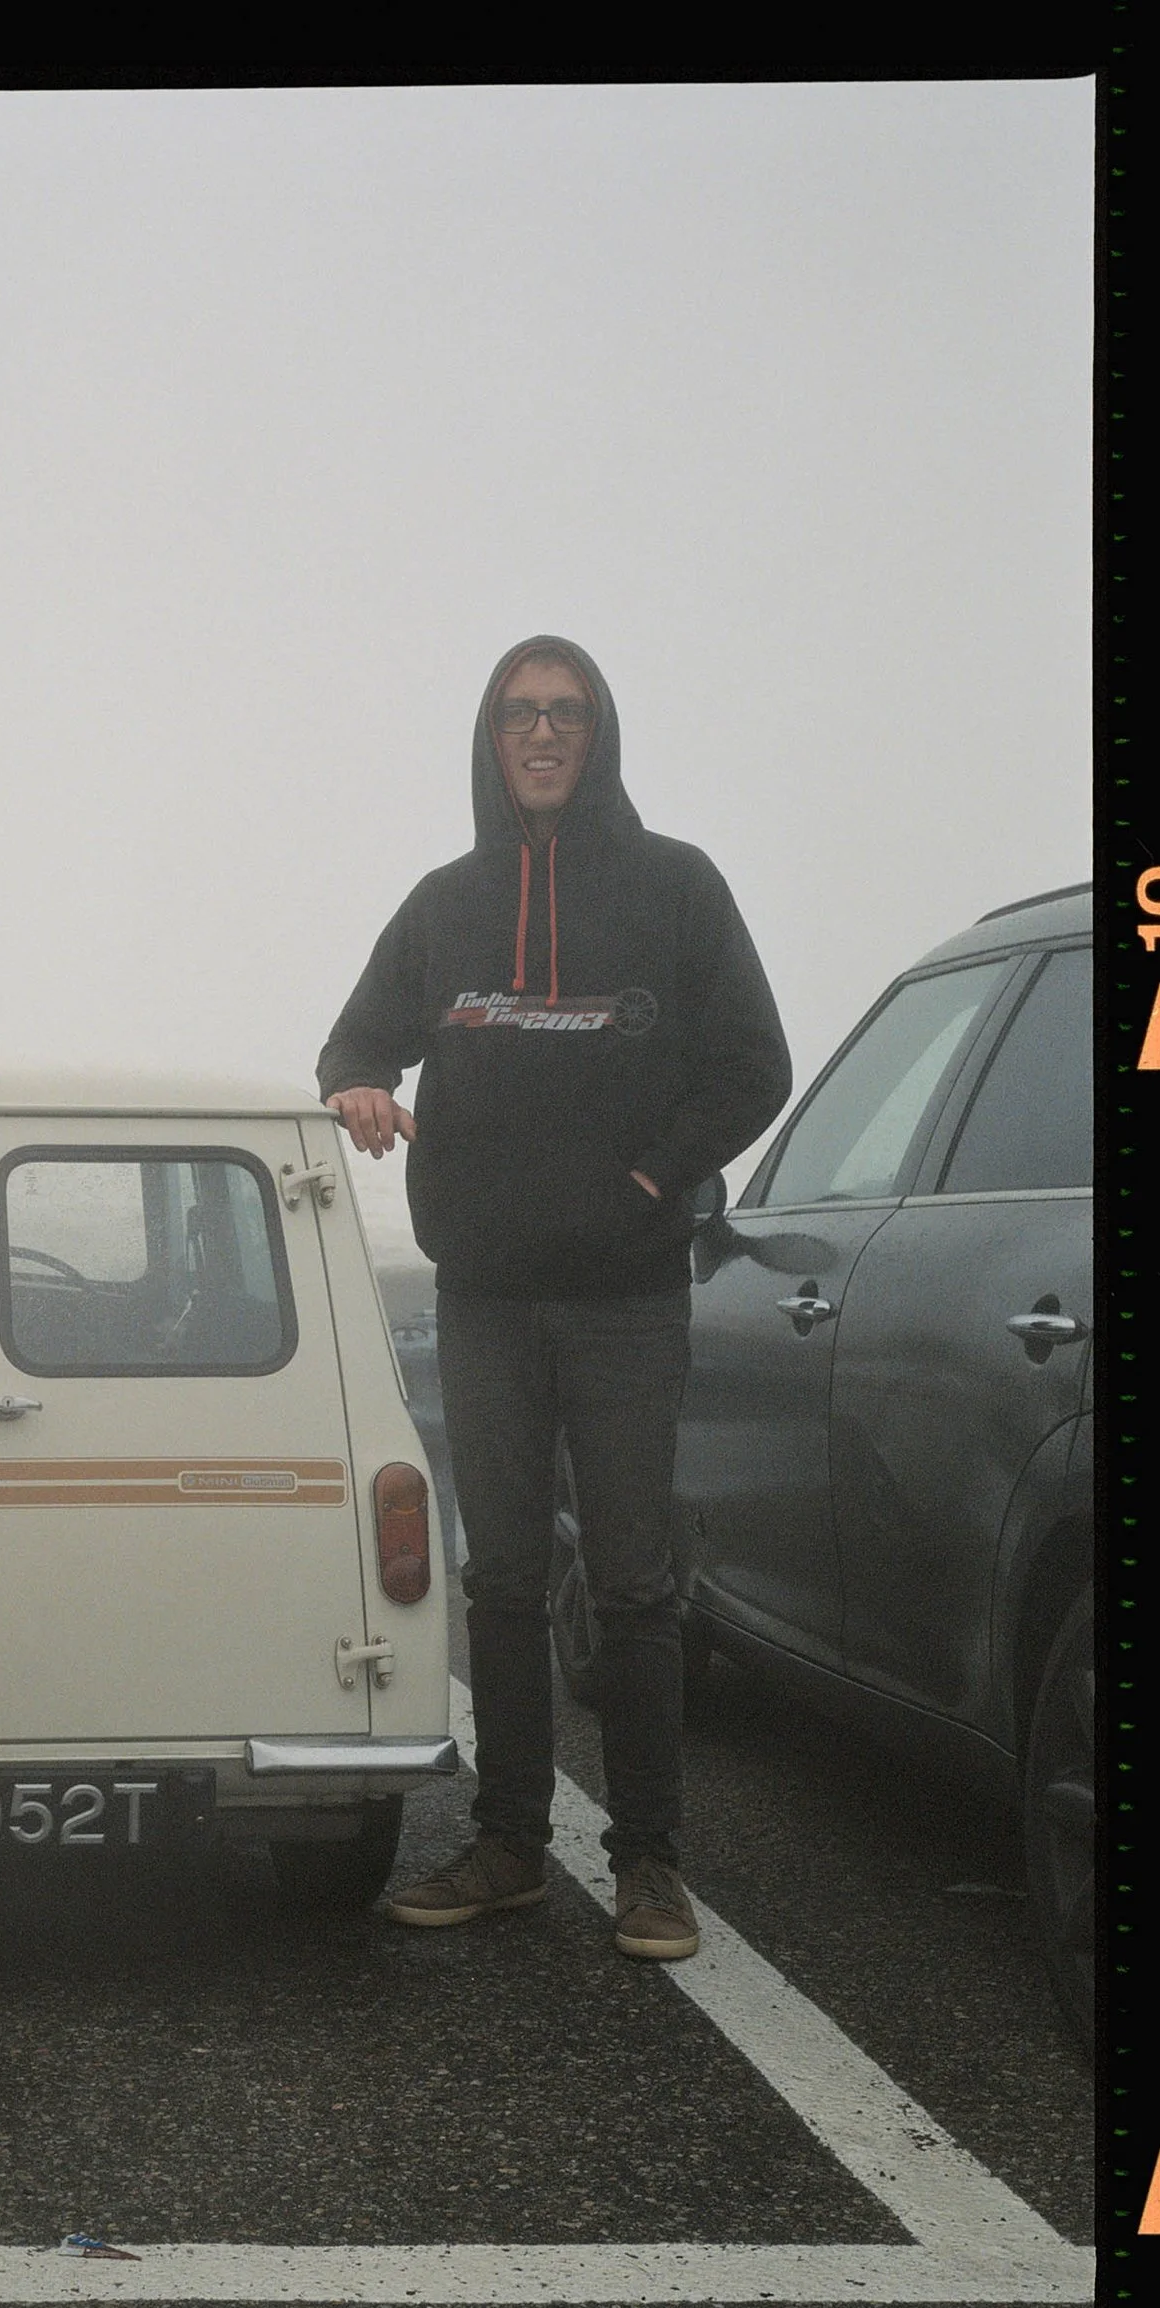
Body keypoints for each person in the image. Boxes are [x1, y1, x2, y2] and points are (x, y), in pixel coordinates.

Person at [315, 636, 789, 1961]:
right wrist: (358, 1087)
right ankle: (511, 1846)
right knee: (506, 1580)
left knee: (633, 1584)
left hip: (627, 1299)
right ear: (491, 736)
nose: (541, 732)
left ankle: (650, 1866)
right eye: (519, 713)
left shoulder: (677, 888)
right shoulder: (445, 905)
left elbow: (756, 1065)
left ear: (599, 732)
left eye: (565, 712)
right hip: (487, 1297)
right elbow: (354, 1040)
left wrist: (649, 1177)